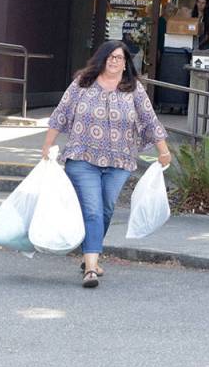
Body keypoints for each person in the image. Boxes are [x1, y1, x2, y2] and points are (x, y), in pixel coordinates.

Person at [41, 40, 172, 288]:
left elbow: (150, 120)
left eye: (119, 58)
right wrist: (47, 145)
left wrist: (163, 150)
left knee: (106, 209)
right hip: (82, 158)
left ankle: (90, 250)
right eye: (110, 57)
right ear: (102, 59)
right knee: (91, 210)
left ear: (126, 64)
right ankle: (90, 267)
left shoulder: (134, 88)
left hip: (119, 160)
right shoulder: (83, 83)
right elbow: (61, 112)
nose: (114, 61)